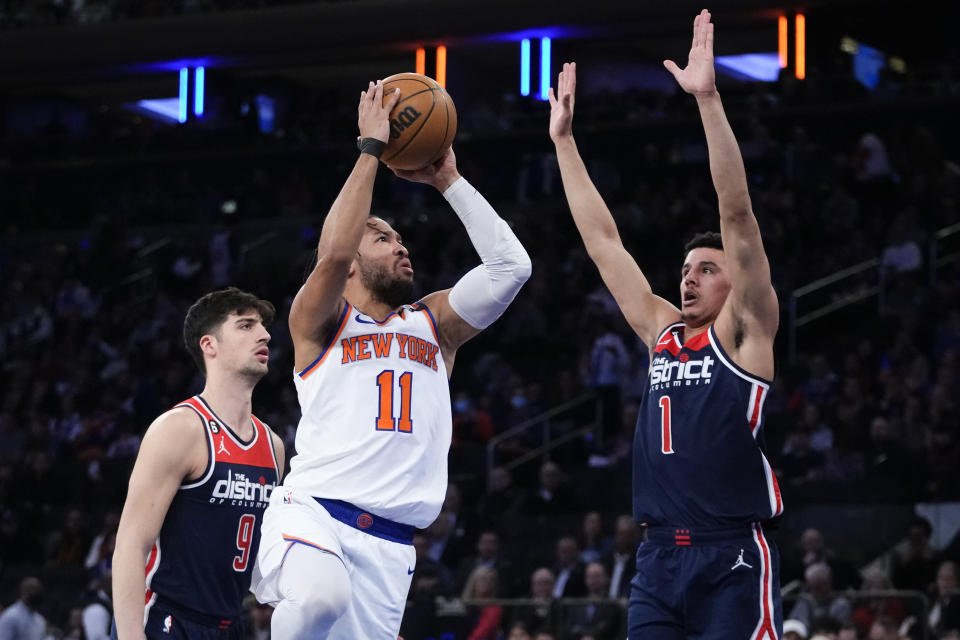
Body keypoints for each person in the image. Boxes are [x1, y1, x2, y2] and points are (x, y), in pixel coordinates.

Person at [251, 79, 531, 639]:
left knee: (325, 610)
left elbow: (511, 268)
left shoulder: (434, 324)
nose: (402, 246)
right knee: (317, 600)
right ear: (353, 265)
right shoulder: (319, 321)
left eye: (402, 239)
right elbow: (332, 251)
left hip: (391, 547)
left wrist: (448, 179)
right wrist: (370, 150)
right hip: (314, 516)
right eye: (382, 238)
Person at [549, 10, 783, 639]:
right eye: (684, 269)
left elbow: (736, 216)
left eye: (706, 270)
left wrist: (707, 99)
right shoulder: (663, 332)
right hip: (657, 559)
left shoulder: (745, 330)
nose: (688, 278)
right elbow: (603, 242)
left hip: (730, 553)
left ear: (735, 281)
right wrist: (565, 144)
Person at [112, 288, 285, 640]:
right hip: (167, 619)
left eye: (263, 326)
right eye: (246, 325)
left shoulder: (273, 446)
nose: (264, 334)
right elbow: (131, 543)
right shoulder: (180, 428)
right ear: (210, 345)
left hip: (231, 623)